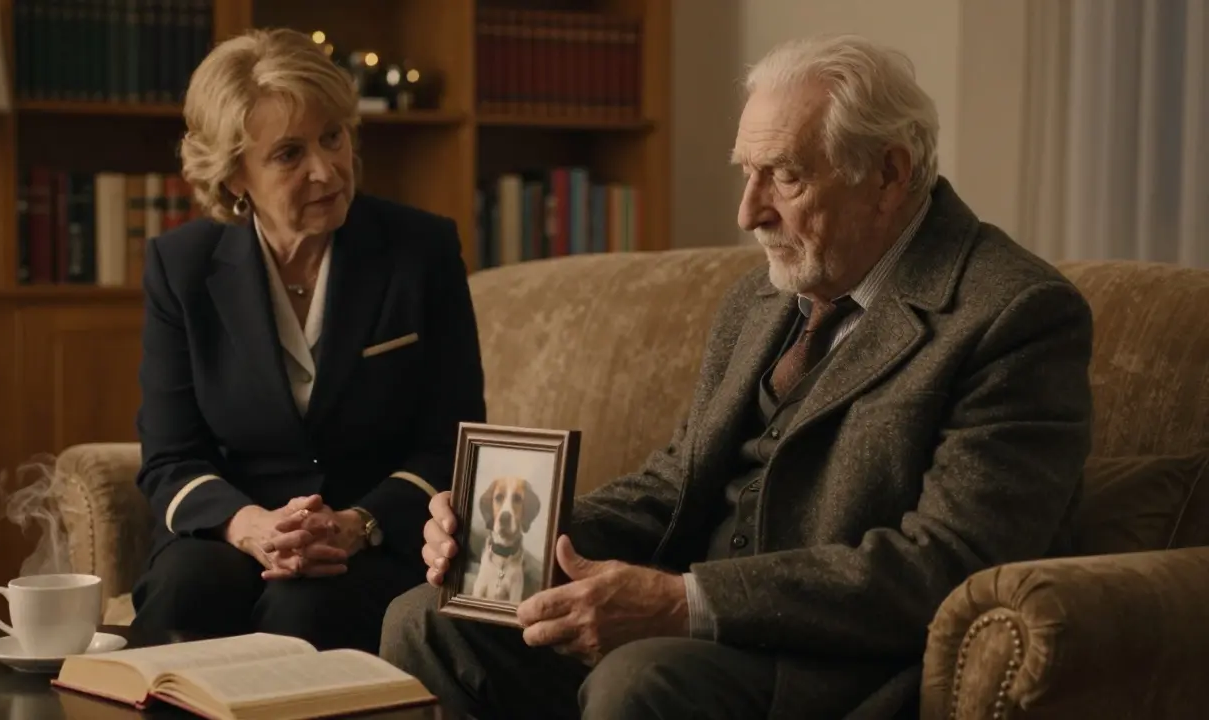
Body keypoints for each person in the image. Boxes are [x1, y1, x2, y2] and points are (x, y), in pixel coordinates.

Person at [380, 33, 1093, 719]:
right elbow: (675, 483)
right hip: (682, 635)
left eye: (786, 175)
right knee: (426, 619)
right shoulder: (761, 297)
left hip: (831, 658)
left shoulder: (1013, 313)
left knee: (639, 679)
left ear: (889, 174)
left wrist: (686, 604)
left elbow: (947, 563)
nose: (748, 213)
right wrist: (514, 537)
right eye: (745, 172)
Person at [129, 27, 484, 654]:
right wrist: (251, 527)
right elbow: (170, 456)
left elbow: (452, 438)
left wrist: (358, 523)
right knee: (184, 589)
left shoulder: (419, 250)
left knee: (308, 607)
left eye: (333, 137)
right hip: (236, 532)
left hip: (376, 538)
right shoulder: (181, 267)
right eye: (289, 154)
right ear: (235, 174)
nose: (327, 169)